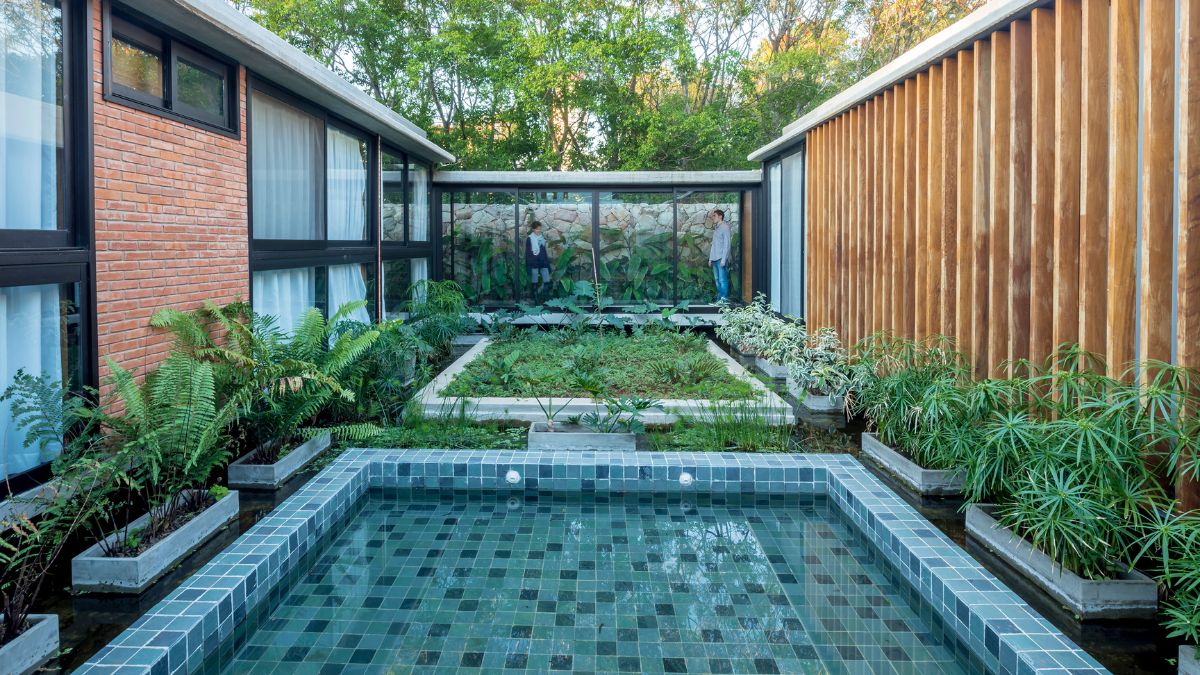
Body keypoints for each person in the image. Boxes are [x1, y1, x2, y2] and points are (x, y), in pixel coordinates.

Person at [708, 209, 731, 302]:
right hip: (714, 258)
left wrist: (723, 259)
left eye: (714, 215)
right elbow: (714, 245)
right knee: (717, 280)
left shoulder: (725, 227)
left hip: (721, 258)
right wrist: (710, 259)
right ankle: (720, 299)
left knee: (722, 280)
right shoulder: (716, 228)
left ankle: (724, 300)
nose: (712, 217)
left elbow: (727, 244)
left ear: (720, 216)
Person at [525, 221, 551, 303]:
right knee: (534, 281)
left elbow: (544, 251)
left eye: (540, 229)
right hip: (534, 263)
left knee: (547, 280)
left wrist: (547, 263)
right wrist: (529, 265)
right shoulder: (529, 239)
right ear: (533, 229)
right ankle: (535, 299)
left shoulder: (542, 238)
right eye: (537, 229)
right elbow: (528, 253)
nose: (539, 230)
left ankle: (545, 298)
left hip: (543, 262)